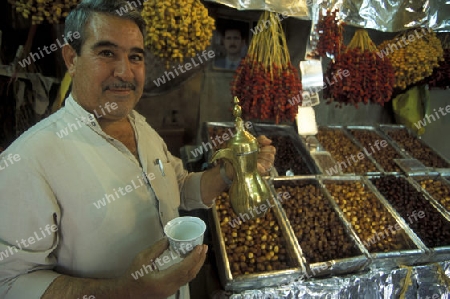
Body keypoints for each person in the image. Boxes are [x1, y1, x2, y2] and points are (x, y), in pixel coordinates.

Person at [0, 1, 275, 299]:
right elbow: (11, 283)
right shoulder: (28, 160)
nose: (125, 72)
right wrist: (123, 291)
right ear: (72, 58)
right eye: (107, 53)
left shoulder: (140, 126)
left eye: (135, 57)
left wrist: (229, 172)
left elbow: (179, 186)